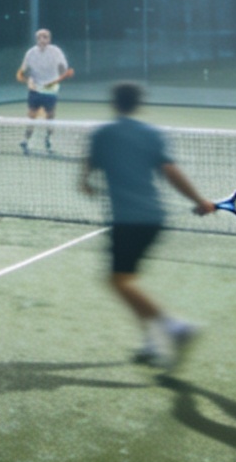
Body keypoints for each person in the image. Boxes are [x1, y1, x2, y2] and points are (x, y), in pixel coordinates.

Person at [82, 82, 215, 370]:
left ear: (114, 103)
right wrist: (199, 200)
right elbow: (170, 172)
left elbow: (88, 168)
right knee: (128, 281)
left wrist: (86, 182)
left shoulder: (101, 135)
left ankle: (176, 328)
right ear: (138, 104)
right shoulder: (152, 135)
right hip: (155, 221)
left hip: (128, 222)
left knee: (119, 281)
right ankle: (152, 341)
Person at [13, 29, 75, 155]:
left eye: (45, 37)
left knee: (50, 117)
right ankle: (25, 141)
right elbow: (22, 71)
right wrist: (27, 80)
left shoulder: (56, 51)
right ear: (37, 40)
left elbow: (63, 68)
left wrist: (64, 72)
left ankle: (49, 139)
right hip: (35, 90)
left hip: (50, 90)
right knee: (31, 117)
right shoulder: (30, 53)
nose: (42, 39)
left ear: (49, 39)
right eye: (40, 37)